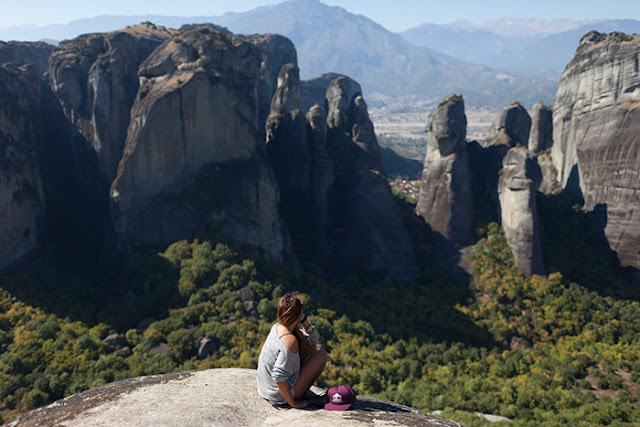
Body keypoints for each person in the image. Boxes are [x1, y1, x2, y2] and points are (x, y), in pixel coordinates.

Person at [257, 292, 328, 408]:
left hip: (266, 389)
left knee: (314, 351)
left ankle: (302, 391)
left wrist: (304, 321)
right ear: (299, 313)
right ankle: (300, 394)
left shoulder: (278, 327)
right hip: (278, 395)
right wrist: (293, 403)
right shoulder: (289, 341)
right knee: (321, 355)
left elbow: (312, 343)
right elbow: (278, 377)